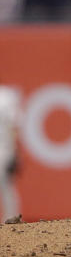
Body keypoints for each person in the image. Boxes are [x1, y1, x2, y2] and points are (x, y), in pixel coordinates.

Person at [0, 84, 20, 223]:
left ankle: (11, 219)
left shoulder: (5, 97)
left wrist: (14, 152)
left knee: (5, 184)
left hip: (3, 147)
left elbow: (14, 125)